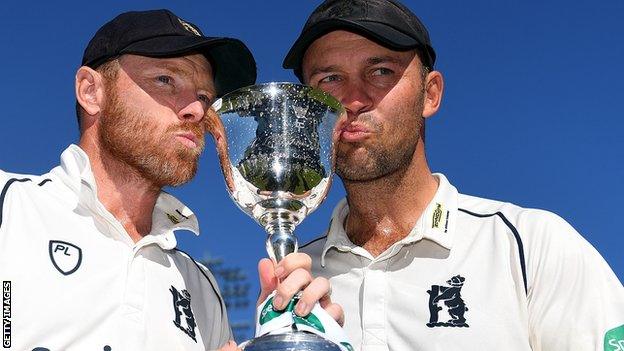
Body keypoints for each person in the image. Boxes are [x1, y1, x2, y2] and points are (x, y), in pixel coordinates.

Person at [282, 0, 624, 350]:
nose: (354, 99)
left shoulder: (530, 246)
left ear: (430, 94)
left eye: (381, 71)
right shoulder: (297, 280)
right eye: (330, 79)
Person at [0, 9, 339, 351]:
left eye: (206, 97)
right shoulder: (9, 207)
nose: (196, 110)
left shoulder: (201, 288)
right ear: (91, 91)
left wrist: (287, 330)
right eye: (165, 80)